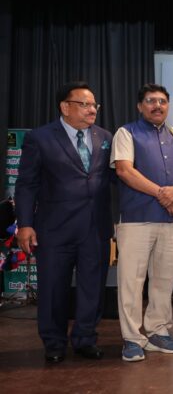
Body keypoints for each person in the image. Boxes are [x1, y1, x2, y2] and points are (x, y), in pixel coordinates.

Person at [15, 81, 113, 363]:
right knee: (53, 288)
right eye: (84, 104)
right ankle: (54, 342)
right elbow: (26, 184)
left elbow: (112, 178)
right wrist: (25, 224)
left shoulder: (105, 136)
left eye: (94, 105)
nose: (92, 109)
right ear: (65, 107)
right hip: (54, 229)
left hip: (95, 228)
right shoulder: (40, 138)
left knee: (92, 288)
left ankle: (85, 338)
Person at [111, 83, 173, 362]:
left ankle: (158, 330)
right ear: (140, 106)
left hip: (172, 219)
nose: (157, 105)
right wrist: (163, 193)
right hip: (136, 219)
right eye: (150, 101)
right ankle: (132, 338)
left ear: (168, 106)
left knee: (164, 280)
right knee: (131, 282)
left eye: (162, 101)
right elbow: (124, 171)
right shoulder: (126, 133)